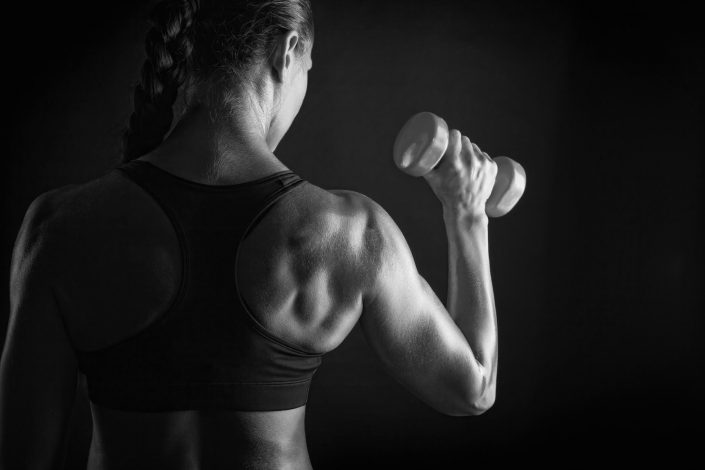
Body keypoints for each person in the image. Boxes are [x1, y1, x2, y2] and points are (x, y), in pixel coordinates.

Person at [0, 0, 499, 468]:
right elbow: (472, 390)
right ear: (287, 51)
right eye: (308, 66)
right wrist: (467, 214)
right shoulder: (351, 234)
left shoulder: (58, 227)